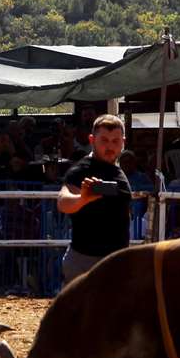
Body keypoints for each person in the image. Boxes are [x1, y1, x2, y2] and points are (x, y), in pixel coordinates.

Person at [57, 114, 132, 285]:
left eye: (115, 141)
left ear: (123, 142)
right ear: (92, 139)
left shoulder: (116, 170)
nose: (110, 146)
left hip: (115, 260)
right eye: (104, 140)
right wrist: (82, 199)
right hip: (86, 261)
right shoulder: (81, 169)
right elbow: (63, 201)